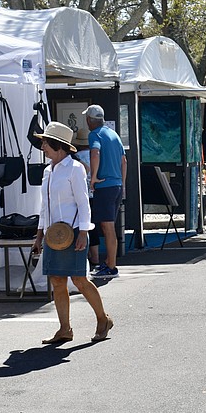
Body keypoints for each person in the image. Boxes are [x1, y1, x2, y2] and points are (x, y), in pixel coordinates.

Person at [31, 122, 113, 344]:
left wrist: (83, 233)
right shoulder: (48, 170)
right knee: (57, 281)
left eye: (45, 143)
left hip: (74, 232)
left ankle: (103, 319)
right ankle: (65, 329)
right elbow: (44, 206)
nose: (42, 147)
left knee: (79, 279)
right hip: (53, 235)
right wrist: (39, 236)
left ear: (57, 145)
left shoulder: (75, 169)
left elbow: (83, 203)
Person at [83, 105, 127, 280]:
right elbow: (124, 161)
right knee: (108, 226)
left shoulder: (95, 134)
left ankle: (111, 267)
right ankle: (110, 262)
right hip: (115, 185)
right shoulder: (113, 134)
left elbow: (95, 153)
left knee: (107, 227)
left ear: (89, 120)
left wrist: (93, 177)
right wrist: (122, 183)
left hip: (105, 186)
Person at [72, 135, 100, 270]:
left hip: (82, 194)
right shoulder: (96, 156)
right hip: (95, 193)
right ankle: (96, 256)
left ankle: (87, 255)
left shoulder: (75, 158)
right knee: (93, 224)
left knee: (82, 224)